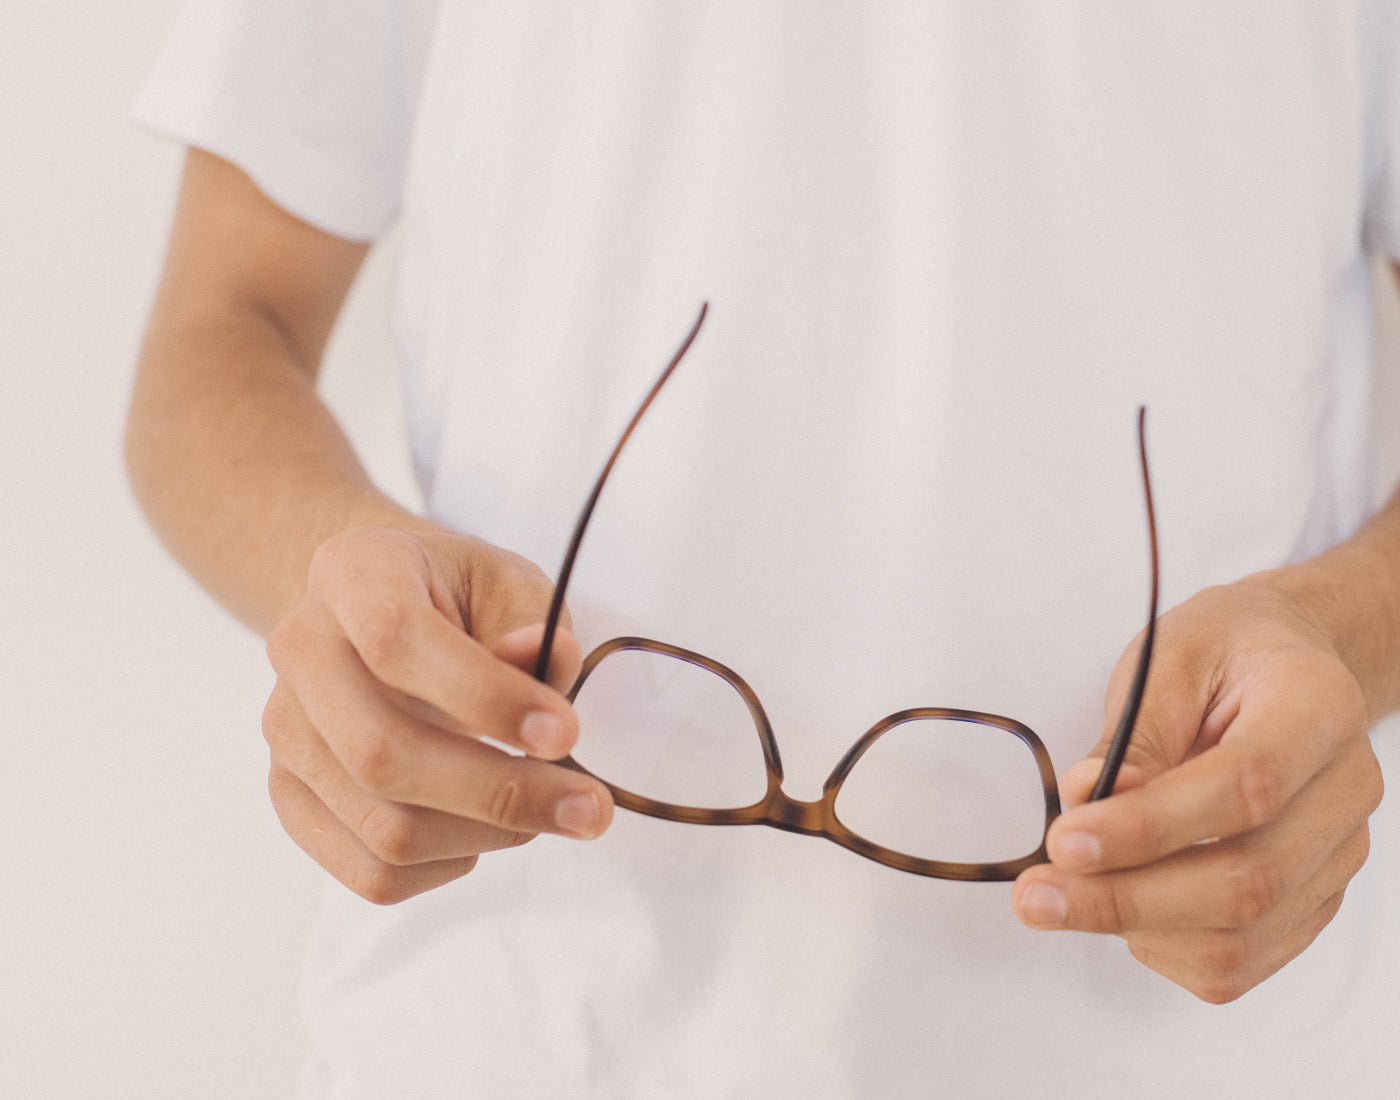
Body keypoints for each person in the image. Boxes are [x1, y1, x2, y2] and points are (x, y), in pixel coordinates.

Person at [128, 2, 1400, 1095]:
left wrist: (1337, 629)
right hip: (502, 1035)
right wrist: (348, 583)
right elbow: (219, 331)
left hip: (1213, 1053)